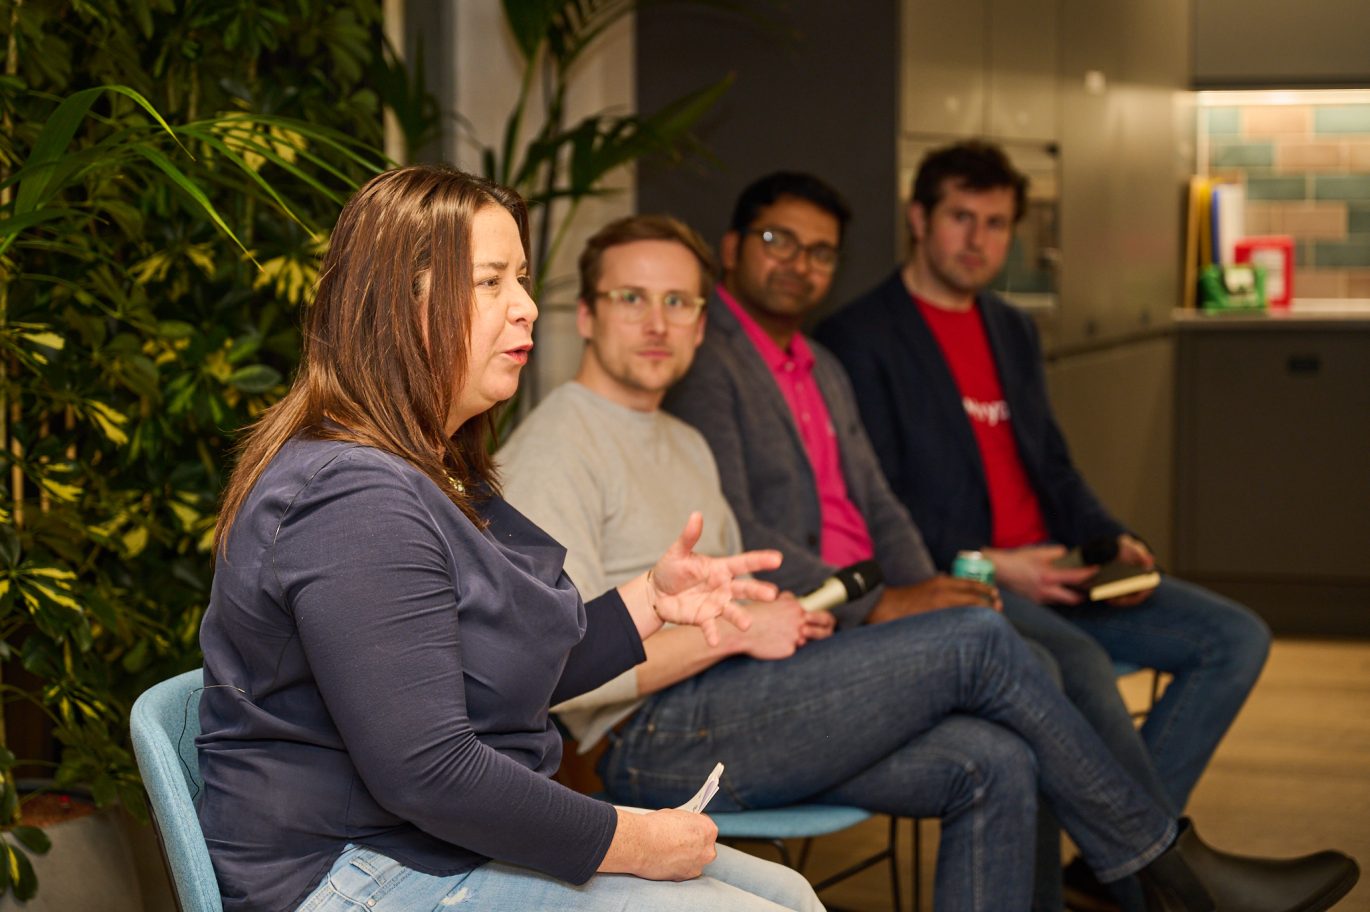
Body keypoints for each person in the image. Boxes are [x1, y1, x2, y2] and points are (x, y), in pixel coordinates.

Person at [499, 213, 1358, 912]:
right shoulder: (558, 445)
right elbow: (559, 673)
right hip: (646, 747)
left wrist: (784, 618)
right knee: (973, 641)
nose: (658, 324)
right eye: (633, 299)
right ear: (588, 312)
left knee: (996, 759)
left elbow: (729, 596)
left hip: (741, 706)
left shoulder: (681, 436)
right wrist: (734, 637)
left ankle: (1156, 871)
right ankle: (1164, 870)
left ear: (703, 321)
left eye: (681, 304)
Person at [195, 166, 829, 912]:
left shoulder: (434, 465)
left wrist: (649, 601)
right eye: (491, 282)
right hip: (353, 873)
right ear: (401, 304)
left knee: (785, 889)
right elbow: (428, 772)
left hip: (429, 845)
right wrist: (631, 839)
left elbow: (491, 675)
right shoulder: (352, 496)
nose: (527, 308)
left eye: (521, 279)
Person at [815, 141, 1275, 909]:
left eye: (997, 224)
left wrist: (1111, 539)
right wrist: (995, 566)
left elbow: (1053, 467)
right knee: (1078, 669)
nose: (979, 240)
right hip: (966, 583)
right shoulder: (860, 339)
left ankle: (1110, 864)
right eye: (962, 217)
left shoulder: (1011, 327)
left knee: (1234, 639)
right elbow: (877, 506)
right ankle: (1158, 880)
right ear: (919, 220)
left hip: (1059, 570)